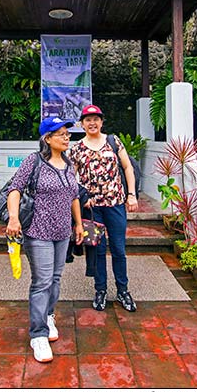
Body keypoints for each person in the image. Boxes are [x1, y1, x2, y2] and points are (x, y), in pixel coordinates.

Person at [6, 116, 84, 363]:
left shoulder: (70, 164)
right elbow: (15, 189)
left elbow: (74, 196)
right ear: (47, 139)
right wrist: (13, 218)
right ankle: (37, 334)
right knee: (42, 282)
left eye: (67, 133)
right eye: (60, 134)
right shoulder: (34, 161)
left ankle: (49, 315)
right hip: (38, 231)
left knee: (56, 278)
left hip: (62, 233)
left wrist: (78, 224)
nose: (66, 137)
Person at [69, 104, 138, 312]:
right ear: (82, 124)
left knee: (118, 248)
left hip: (115, 204)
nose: (92, 123)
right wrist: (82, 199)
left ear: (101, 121)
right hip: (92, 209)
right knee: (97, 251)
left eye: (96, 119)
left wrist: (131, 195)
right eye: (88, 120)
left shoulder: (113, 142)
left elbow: (127, 167)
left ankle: (123, 290)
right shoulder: (77, 149)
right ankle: (100, 290)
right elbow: (72, 179)